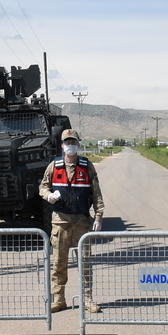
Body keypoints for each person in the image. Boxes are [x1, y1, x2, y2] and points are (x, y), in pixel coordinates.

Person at [38, 129, 106, 313]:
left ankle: (87, 299)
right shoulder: (54, 166)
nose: (70, 145)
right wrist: (48, 195)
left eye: (73, 142)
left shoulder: (87, 166)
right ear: (62, 145)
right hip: (60, 222)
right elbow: (42, 186)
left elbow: (96, 194)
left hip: (81, 222)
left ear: (78, 144)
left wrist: (98, 216)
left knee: (85, 262)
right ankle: (59, 299)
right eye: (67, 142)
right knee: (59, 263)